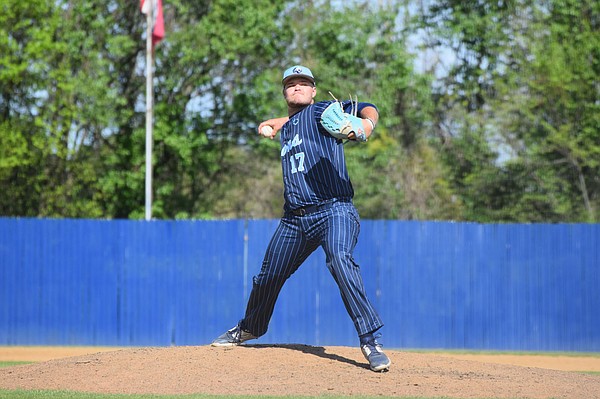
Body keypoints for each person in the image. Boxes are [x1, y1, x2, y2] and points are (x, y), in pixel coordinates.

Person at [211, 65, 390, 372]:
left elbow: (367, 107)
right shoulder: (292, 124)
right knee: (267, 277)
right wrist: (277, 123)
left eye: (303, 83)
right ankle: (251, 326)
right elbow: (294, 120)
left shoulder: (323, 110)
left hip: (334, 209)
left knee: (339, 259)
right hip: (294, 219)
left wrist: (367, 125)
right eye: (291, 84)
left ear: (313, 91)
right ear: (284, 92)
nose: (297, 87)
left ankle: (370, 340)